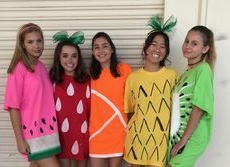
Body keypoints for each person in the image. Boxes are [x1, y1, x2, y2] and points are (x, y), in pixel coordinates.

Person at [123, 15, 178, 167]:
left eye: (162, 46)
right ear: (145, 47)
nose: (157, 49)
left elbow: (176, 110)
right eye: (154, 44)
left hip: (160, 142)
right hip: (137, 139)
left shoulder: (172, 76)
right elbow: (130, 111)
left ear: (166, 51)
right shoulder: (133, 78)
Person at [4, 23, 61, 167]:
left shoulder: (41, 67)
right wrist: (19, 139)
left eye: (39, 40)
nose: (36, 45)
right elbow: (13, 107)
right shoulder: (18, 69)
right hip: (32, 134)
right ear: (22, 45)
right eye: (30, 42)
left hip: (48, 131)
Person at [168, 25, 216, 167]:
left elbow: (198, 108)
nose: (187, 46)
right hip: (178, 135)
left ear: (205, 49)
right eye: (186, 41)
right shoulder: (185, 73)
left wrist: (183, 141)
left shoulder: (203, 70)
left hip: (191, 137)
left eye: (194, 43)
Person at [89, 32, 132, 167]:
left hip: (118, 132)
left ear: (112, 49)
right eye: (96, 47)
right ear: (92, 52)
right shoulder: (89, 74)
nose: (101, 51)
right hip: (96, 134)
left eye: (104, 46)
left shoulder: (124, 70)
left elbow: (132, 100)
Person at [49, 31, 90, 167]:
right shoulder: (52, 81)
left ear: (79, 58)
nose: (70, 60)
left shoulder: (87, 80)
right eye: (65, 56)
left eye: (74, 56)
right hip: (61, 136)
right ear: (58, 58)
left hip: (82, 134)